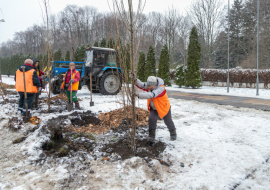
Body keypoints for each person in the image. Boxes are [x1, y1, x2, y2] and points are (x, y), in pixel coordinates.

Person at [134, 75, 177, 146]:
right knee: (151, 119)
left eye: (151, 87)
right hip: (154, 108)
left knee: (168, 121)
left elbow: (151, 94)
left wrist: (139, 95)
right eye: (148, 86)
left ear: (155, 84)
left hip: (163, 107)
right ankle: (151, 138)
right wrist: (135, 80)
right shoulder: (150, 85)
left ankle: (173, 133)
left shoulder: (161, 89)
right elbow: (142, 85)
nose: (149, 88)